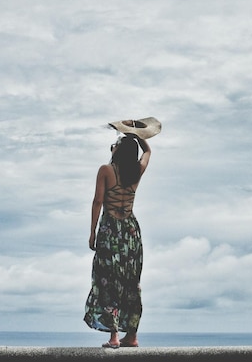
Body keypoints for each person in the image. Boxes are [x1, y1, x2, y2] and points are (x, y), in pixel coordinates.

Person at [84, 133, 151, 348]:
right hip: (130, 231)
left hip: (111, 230)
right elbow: (148, 151)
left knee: (107, 280)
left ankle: (114, 336)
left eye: (114, 145)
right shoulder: (137, 171)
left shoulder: (106, 170)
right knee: (131, 283)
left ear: (118, 150)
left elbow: (97, 201)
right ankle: (131, 335)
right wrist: (138, 135)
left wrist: (92, 231)